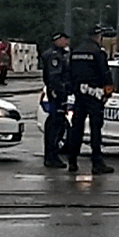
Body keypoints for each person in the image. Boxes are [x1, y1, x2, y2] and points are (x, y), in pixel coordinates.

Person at [66, 26, 115, 175]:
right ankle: (97, 162)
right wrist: (108, 91)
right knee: (95, 129)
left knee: (76, 129)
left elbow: (70, 72)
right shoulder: (97, 52)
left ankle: (72, 161)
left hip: (79, 95)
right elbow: (105, 72)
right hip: (94, 95)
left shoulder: (76, 51)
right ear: (97, 36)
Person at [41, 32, 71, 168]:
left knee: (56, 125)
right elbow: (55, 77)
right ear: (57, 40)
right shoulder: (55, 56)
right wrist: (61, 91)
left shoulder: (58, 54)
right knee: (55, 125)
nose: (66, 42)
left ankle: (51, 155)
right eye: (64, 39)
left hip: (57, 93)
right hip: (57, 94)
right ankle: (51, 156)